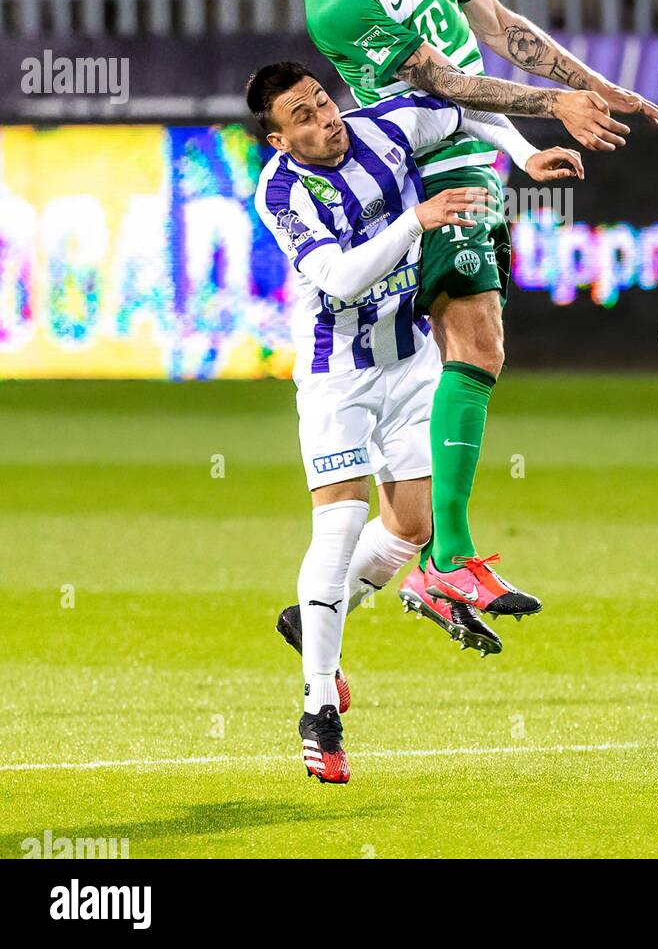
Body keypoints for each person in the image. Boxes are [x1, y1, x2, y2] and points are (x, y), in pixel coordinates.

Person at [305, 0, 658, 613]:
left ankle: (363, 590)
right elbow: (438, 80)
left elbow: (498, 29)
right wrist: (551, 110)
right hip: (415, 164)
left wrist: (597, 90)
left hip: (466, 150)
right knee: (471, 344)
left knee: (475, 349)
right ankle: (446, 558)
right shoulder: (336, 1)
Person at [247, 61, 582, 783]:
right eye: (301, 117)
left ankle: (314, 620)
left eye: (322, 103)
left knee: (411, 527)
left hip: (408, 362)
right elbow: (338, 278)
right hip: (337, 375)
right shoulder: (281, 192)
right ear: (278, 139)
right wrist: (415, 219)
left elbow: (467, 106)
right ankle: (318, 709)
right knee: (338, 525)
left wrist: (525, 155)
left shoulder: (385, 128)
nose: (323, 120)